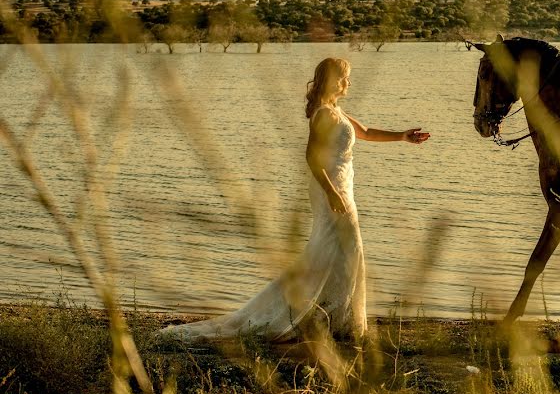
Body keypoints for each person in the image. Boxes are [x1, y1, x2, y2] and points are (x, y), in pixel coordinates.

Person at [159, 57, 429, 342]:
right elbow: (311, 157)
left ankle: (332, 316)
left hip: (341, 187)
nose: (348, 83)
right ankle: (320, 315)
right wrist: (331, 193)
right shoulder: (324, 114)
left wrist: (402, 136)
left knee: (340, 251)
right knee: (341, 247)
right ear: (332, 81)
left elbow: (366, 132)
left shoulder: (337, 111)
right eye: (344, 78)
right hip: (331, 188)